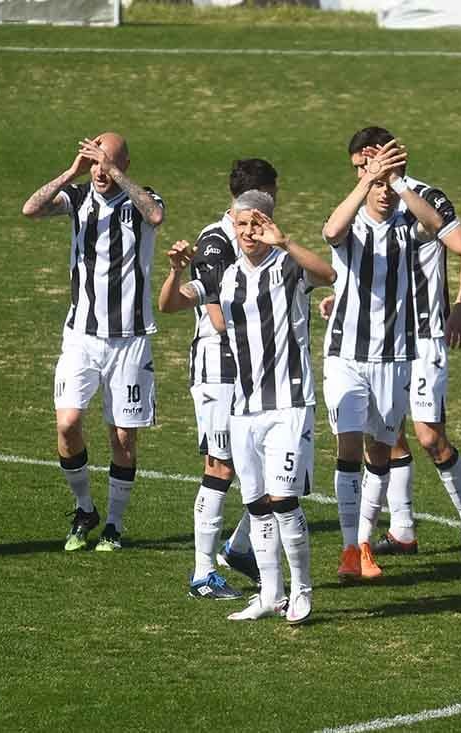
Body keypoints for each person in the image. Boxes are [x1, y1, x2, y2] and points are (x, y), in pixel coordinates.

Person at [161, 190, 336, 623]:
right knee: (256, 502)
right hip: (243, 408)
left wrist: (285, 241)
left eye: (255, 225)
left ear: (268, 224)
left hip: (288, 404)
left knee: (283, 500)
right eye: (241, 226)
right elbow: (169, 304)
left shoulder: (288, 267)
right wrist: (173, 271)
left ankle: (302, 591)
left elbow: (328, 273)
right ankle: (269, 594)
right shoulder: (226, 278)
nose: (247, 234)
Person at [322, 127, 461, 563]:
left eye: (369, 163)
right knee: (387, 438)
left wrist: (460, 307)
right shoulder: (362, 202)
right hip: (381, 342)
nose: (363, 171)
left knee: (429, 436)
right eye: (358, 167)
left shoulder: (419, 201)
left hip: (424, 333)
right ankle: (401, 530)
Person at [22, 132, 165, 552]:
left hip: (130, 340)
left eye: (108, 162)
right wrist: (72, 171)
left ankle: (115, 526)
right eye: (96, 162)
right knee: (67, 424)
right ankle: (85, 509)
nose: (100, 171)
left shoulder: (143, 199)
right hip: (81, 336)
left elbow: (155, 217)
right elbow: (30, 209)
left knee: (123, 438)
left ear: (122, 163)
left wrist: (117, 172)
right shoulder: (78, 196)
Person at [321, 138, 444, 581]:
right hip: (346, 356)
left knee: (380, 451)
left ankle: (365, 543)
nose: (384, 190)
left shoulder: (408, 225)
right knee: (349, 446)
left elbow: (439, 226)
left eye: (389, 179)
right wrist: (370, 178)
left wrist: (398, 179)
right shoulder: (352, 224)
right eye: (376, 179)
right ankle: (349, 548)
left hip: (394, 357)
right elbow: (331, 232)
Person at [158, 159, 278, 599]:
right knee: (221, 465)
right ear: (258, 194)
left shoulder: (258, 237)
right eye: (273, 195)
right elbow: (219, 317)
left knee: (266, 467)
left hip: (253, 368)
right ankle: (202, 573)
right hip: (219, 370)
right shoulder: (216, 242)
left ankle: (241, 548)